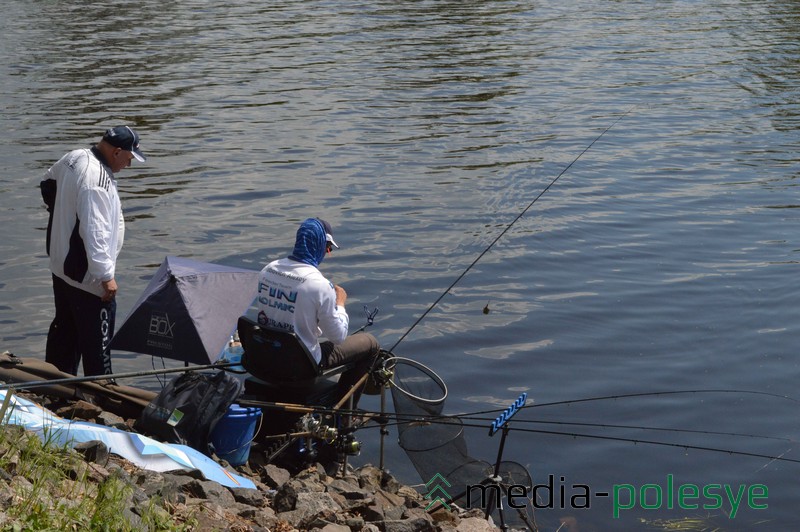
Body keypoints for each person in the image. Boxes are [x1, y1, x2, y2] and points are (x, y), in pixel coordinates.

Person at [41, 126, 147, 376]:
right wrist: (105, 277)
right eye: (129, 159)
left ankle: (54, 388)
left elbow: (47, 182)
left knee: (64, 333)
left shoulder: (75, 156)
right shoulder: (96, 181)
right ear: (117, 152)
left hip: (62, 268)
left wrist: (62, 218)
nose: (129, 166)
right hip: (88, 280)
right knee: (99, 347)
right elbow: (94, 231)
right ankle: (101, 397)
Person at [256, 217, 380, 406]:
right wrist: (340, 303)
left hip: (268, 355)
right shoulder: (320, 285)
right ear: (319, 245)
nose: (327, 253)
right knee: (370, 344)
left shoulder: (268, 270)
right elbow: (338, 336)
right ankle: (344, 413)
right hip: (303, 364)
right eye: (328, 248)